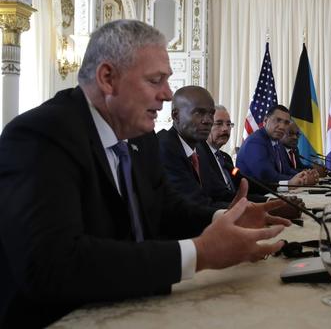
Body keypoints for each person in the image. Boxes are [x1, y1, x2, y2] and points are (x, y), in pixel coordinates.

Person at [0, 20, 289, 328]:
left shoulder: (140, 137)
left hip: (136, 306)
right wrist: (200, 253)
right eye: (155, 81)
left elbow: (166, 207)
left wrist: (222, 219)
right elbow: (54, 266)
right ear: (108, 78)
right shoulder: (41, 136)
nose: (167, 95)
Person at [198, 105, 302, 218]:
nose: (225, 129)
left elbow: (246, 186)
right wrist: (269, 207)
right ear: (205, 126)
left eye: (228, 124)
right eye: (219, 123)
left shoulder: (225, 158)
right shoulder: (200, 157)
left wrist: (272, 200)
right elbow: (219, 197)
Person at [157, 86, 230, 209]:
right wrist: (240, 211)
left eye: (211, 114)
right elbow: (194, 203)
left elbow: (220, 193)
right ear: (176, 115)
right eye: (199, 113)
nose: (208, 121)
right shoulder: (164, 148)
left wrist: (264, 202)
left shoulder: (200, 147)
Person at [236, 105, 318, 187]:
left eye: (286, 123)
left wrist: (305, 174)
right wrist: (301, 180)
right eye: (277, 120)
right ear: (265, 120)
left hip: (274, 191)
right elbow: (268, 176)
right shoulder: (255, 142)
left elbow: (286, 170)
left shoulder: (277, 142)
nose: (282, 127)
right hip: (254, 196)